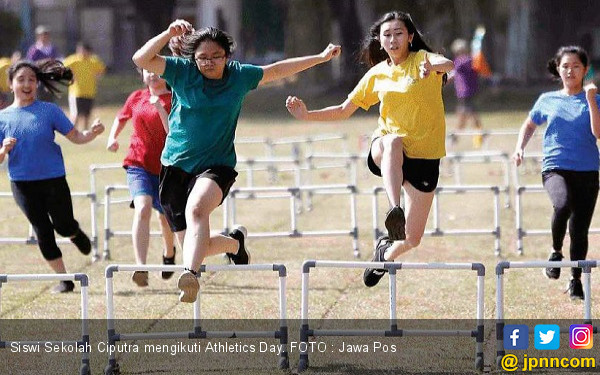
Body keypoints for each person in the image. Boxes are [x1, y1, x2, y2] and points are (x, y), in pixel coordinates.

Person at [132, 19, 341, 303]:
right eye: (202, 57)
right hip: (174, 165)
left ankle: (190, 275)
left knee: (197, 211)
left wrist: (319, 58)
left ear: (227, 56)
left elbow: (278, 70)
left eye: (216, 57)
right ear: (193, 57)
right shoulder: (183, 72)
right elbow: (141, 58)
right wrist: (167, 33)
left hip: (216, 165)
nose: (209, 63)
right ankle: (233, 242)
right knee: (195, 242)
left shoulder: (239, 76)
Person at [286, 11, 453, 288]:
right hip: (387, 151)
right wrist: (307, 115)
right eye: (387, 35)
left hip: (425, 155)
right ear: (380, 40)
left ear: (410, 37)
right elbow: (342, 110)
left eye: (398, 33)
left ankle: (384, 253)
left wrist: (432, 68)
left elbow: (446, 63)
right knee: (393, 140)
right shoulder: (377, 74)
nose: (393, 39)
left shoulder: (424, 60)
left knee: (412, 239)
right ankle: (394, 208)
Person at [0, 60, 104, 293]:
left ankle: (75, 233)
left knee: (63, 226)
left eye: (31, 79)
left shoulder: (50, 111)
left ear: (37, 84)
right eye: (21, 79)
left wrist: (92, 134)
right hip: (22, 184)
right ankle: (64, 279)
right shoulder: (3, 118)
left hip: (53, 179)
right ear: (10, 84)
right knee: (42, 231)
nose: (27, 84)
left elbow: (76, 137)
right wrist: (4, 149)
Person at [514, 46, 600, 301]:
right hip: (555, 166)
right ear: (558, 69)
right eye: (565, 66)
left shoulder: (593, 98)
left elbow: (597, 133)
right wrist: (520, 147)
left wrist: (591, 100)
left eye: (575, 66)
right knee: (562, 205)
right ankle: (555, 252)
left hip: (587, 169)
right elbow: (529, 124)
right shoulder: (547, 100)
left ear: (585, 69)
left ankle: (575, 281)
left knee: (580, 229)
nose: (570, 70)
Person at [106, 68, 176, 287]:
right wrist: (112, 137)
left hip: (167, 167)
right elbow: (121, 117)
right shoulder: (136, 97)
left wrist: (160, 108)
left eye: (157, 71)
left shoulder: (175, 99)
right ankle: (141, 266)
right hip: (138, 164)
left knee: (165, 218)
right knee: (143, 207)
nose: (152, 75)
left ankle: (169, 252)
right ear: (142, 74)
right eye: (148, 71)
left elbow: (173, 131)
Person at [449, 38, 483, 149]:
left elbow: (452, 73)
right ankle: (455, 138)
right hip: (465, 94)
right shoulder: (468, 60)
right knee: (466, 118)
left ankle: (477, 140)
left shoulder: (463, 61)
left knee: (469, 118)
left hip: (466, 93)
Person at [64, 42, 106, 130]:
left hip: (89, 92)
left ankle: (85, 133)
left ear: (89, 51)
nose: (81, 52)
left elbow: (102, 70)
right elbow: (62, 67)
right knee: (76, 114)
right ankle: (72, 133)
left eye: (83, 50)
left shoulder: (93, 61)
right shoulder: (74, 60)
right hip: (76, 93)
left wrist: (98, 76)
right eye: (79, 50)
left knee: (86, 115)